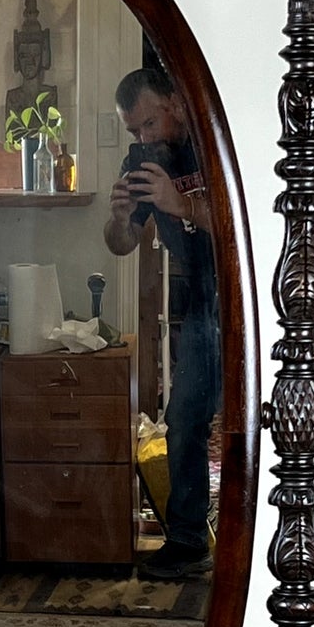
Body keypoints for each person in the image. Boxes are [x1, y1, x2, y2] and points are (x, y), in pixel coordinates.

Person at [103, 67, 221, 580]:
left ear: (175, 100)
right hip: (199, 296)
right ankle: (189, 541)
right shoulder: (144, 162)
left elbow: (247, 226)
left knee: (249, 422)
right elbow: (121, 246)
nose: (145, 138)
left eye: (150, 123)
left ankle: (253, 533)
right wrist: (120, 215)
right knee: (186, 419)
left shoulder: (215, 141)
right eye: (136, 132)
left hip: (248, 293)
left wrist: (181, 203)